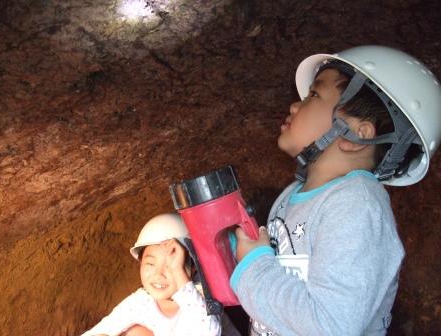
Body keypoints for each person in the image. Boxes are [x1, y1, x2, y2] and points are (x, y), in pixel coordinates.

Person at [229, 45, 441, 335]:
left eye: (314, 95)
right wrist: (243, 253)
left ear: (356, 135)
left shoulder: (357, 207)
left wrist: (254, 268)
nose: (294, 106)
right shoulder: (293, 195)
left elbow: (331, 325)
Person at [81, 213, 222, 336]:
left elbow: (210, 332)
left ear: (193, 268)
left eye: (171, 265)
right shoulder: (141, 302)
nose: (159, 274)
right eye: (150, 264)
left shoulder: (199, 300)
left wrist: (178, 272)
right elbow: (98, 330)